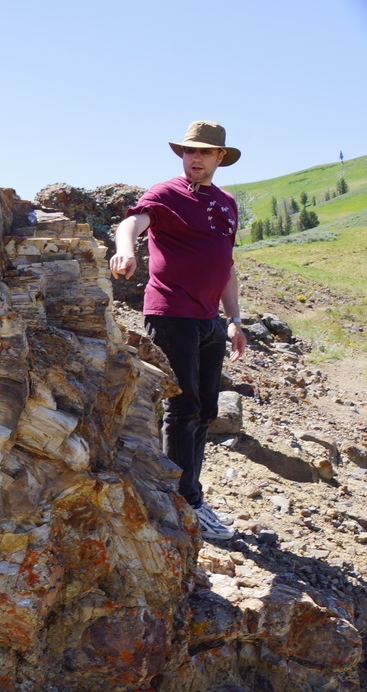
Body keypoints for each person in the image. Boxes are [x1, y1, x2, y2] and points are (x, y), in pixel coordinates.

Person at [109, 121, 248, 540]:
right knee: (182, 407)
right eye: (190, 152)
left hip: (209, 320)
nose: (196, 158)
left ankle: (188, 495)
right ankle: (183, 500)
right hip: (171, 313)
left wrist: (235, 319)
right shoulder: (166, 193)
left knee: (205, 410)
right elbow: (132, 223)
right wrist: (124, 250)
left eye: (205, 153)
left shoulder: (226, 204)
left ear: (220, 157)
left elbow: (226, 267)